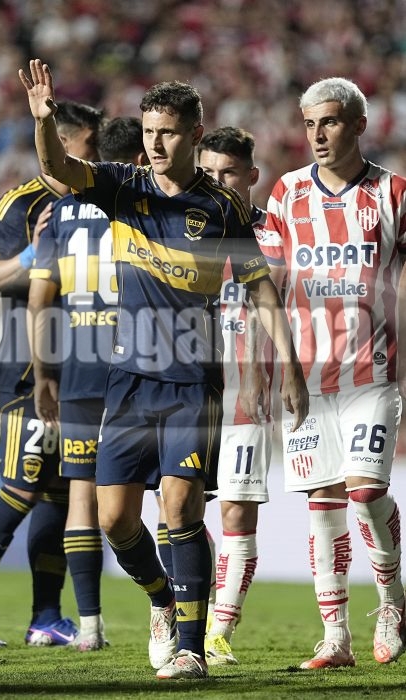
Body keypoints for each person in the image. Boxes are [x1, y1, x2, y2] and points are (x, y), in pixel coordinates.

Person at [19, 58, 308, 681]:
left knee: (180, 508)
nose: (154, 143)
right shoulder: (122, 185)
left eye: (168, 132)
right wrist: (43, 120)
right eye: (149, 130)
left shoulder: (221, 207)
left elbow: (260, 288)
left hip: (192, 382)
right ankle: (160, 599)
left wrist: (289, 365)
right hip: (128, 381)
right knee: (114, 520)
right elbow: (58, 167)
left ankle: (191, 649)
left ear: (194, 134)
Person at [0, 100, 105, 648]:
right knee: (22, 485)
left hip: (74, 369)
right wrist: (34, 253)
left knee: (56, 492)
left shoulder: (93, 200)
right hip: (27, 369)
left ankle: (46, 616)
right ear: (62, 145)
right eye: (90, 145)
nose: (96, 156)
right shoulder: (22, 202)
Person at [260, 76, 406, 669]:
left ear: (358, 125)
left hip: (372, 373)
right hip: (307, 379)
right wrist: (279, 368)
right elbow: (267, 288)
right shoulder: (287, 194)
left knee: (365, 492)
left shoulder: (394, 193)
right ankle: (336, 636)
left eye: (330, 121)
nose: (317, 134)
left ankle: (392, 601)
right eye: (310, 123)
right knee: (322, 502)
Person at [27, 115, 147, 651]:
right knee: (168, 494)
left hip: (76, 369)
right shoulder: (135, 200)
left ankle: (90, 626)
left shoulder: (59, 214)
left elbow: (39, 301)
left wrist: (44, 374)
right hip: (135, 369)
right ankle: (175, 615)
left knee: (81, 496)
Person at [197, 127, 276, 666]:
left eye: (228, 173)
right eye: (209, 173)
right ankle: (192, 597)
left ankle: (219, 629)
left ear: (251, 176)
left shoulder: (274, 233)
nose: (218, 182)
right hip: (192, 391)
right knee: (178, 509)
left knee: (236, 511)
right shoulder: (188, 227)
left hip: (249, 394)